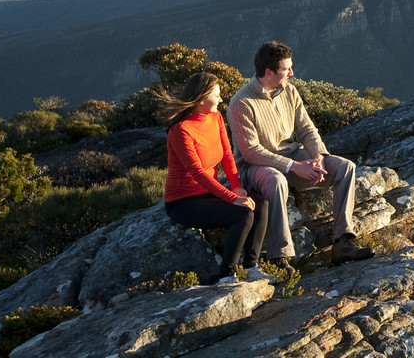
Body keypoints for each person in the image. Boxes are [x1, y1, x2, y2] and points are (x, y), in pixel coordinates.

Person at [229, 41, 374, 270]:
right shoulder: (241, 103)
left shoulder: (289, 91)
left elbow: (306, 129)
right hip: (256, 167)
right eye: (287, 69)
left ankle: (342, 242)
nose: (292, 73)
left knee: (345, 167)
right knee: (276, 181)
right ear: (268, 72)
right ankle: (279, 256)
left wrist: (317, 156)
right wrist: (294, 166)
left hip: (292, 155)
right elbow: (251, 151)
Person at [158, 72, 272, 284]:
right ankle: (226, 274)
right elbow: (197, 172)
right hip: (183, 202)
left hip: (209, 192)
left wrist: (236, 186)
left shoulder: (216, 117)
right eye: (217, 95)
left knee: (262, 203)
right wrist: (231, 198)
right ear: (201, 99)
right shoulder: (181, 130)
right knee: (243, 214)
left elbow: (228, 155)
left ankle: (251, 267)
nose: (221, 99)